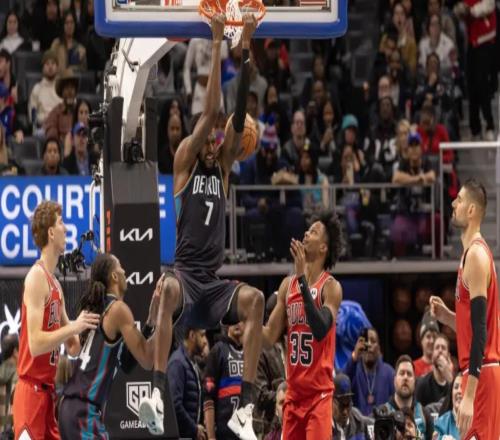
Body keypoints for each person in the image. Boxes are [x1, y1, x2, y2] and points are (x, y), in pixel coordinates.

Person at [138, 15, 264, 440]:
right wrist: (215, 42)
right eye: (207, 138)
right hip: (186, 277)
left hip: (211, 284)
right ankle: (156, 395)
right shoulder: (184, 165)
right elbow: (211, 113)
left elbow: (237, 113)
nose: (213, 143)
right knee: (167, 290)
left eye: (217, 140)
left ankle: (245, 409)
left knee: (256, 301)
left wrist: (245, 51)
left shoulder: (224, 168)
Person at [12, 200, 100, 439]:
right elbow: (36, 344)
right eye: (61, 223)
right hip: (30, 394)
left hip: (48, 396)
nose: (66, 228)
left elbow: (73, 347)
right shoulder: (36, 277)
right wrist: (75, 326)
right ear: (51, 233)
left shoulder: (56, 286)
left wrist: (91, 324)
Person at [58, 253, 170, 439]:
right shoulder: (118, 309)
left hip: (73, 408)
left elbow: (127, 363)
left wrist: (151, 320)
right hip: (83, 411)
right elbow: (148, 359)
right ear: (115, 276)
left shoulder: (100, 308)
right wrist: (164, 316)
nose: (125, 271)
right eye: (120, 267)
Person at [263, 211, 344, 440]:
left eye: (314, 232)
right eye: (307, 230)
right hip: (293, 395)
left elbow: (320, 329)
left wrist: (301, 278)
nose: (306, 234)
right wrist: (246, 320)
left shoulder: (331, 287)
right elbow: (268, 337)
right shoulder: (287, 285)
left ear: (323, 248)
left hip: (318, 397)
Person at [430, 179, 500, 439]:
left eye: (458, 199)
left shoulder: (477, 257)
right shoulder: (468, 254)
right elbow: (472, 326)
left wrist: (469, 395)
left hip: (482, 375)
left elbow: (481, 331)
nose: (453, 203)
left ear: (471, 210)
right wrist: (448, 317)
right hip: (479, 373)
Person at [203, 322, 244, 440]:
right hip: (224, 433)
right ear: (226, 324)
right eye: (232, 319)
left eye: (240, 319)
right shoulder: (217, 351)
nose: (236, 323)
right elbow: (208, 397)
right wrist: (211, 437)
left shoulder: (251, 352)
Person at [379, 355, 434, 440]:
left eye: (409, 374)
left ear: (414, 381)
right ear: (394, 380)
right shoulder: (382, 413)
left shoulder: (425, 415)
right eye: (402, 373)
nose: (405, 377)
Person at [343, 327, 395, 416]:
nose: (369, 345)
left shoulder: (389, 373)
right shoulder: (353, 369)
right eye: (365, 342)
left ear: (379, 348)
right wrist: (354, 357)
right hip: (357, 423)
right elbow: (342, 385)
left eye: (373, 341)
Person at [168, 327, 208, 440]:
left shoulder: (191, 362)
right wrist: (194, 429)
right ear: (192, 335)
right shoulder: (178, 363)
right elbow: (174, 405)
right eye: (202, 335)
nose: (205, 341)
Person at [415, 333, 453, 406]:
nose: (440, 350)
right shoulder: (422, 384)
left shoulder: (453, 383)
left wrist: (449, 378)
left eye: (443, 348)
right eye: (437, 347)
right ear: (432, 356)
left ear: (448, 356)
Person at [332, 373, 373, 440]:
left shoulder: (358, 421)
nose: (345, 412)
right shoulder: (323, 425)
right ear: (332, 402)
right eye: (341, 406)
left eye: (348, 405)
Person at [432, 372, 462, 439]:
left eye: (463, 387)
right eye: (456, 387)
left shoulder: (478, 421)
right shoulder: (441, 423)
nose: (459, 391)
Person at [414, 312, 440, 377]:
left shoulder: (444, 366)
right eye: (428, 336)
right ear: (421, 341)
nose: (432, 341)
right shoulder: (414, 367)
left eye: (434, 337)